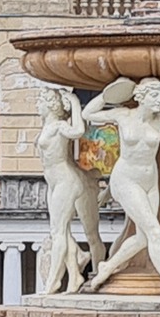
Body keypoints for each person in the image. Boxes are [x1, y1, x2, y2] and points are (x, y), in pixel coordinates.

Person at [80, 78, 160, 300]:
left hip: (150, 181)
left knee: (144, 238)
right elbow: (88, 114)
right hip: (126, 179)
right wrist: (108, 95)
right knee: (155, 232)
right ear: (141, 97)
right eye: (155, 96)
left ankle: (107, 267)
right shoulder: (123, 115)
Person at [35, 88, 103, 294]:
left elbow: (78, 132)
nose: (38, 105)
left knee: (60, 233)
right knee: (59, 231)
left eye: (41, 101)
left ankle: (54, 282)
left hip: (66, 180)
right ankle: (74, 276)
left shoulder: (59, 126)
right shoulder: (47, 126)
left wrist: (74, 102)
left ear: (51, 106)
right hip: (54, 181)